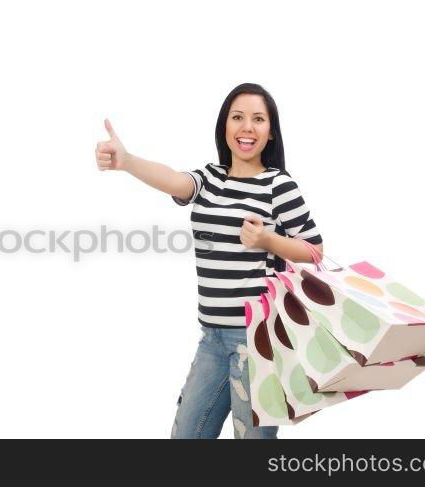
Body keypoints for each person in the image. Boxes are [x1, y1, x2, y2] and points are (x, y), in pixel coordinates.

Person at [94, 83, 323, 439]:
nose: (247, 127)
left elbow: (315, 251)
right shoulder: (210, 179)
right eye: (238, 117)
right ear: (225, 126)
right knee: (186, 434)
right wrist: (127, 161)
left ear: (271, 133)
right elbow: (173, 180)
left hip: (258, 341)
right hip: (212, 339)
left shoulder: (278, 185)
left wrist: (268, 240)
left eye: (258, 119)